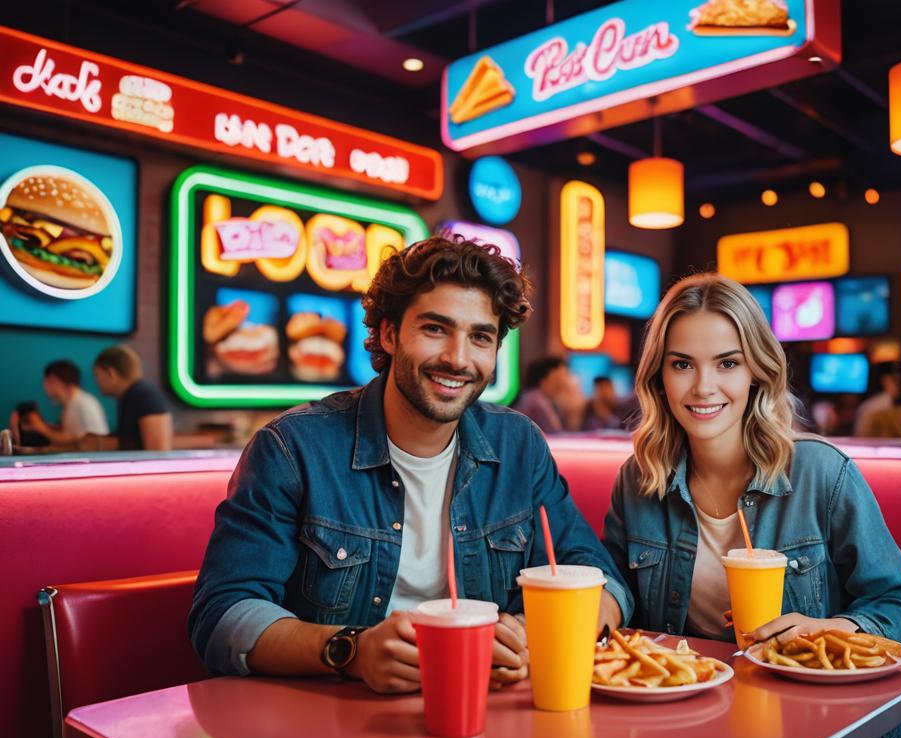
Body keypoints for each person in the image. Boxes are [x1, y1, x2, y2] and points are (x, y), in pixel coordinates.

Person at [189, 235, 631, 694]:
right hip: (333, 723)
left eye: (480, 337)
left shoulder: (519, 445)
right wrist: (351, 651)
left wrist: (530, 632)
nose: (458, 359)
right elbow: (223, 615)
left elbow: (604, 582)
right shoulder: (293, 448)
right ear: (388, 333)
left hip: (488, 718)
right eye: (435, 329)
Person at [602, 273, 901, 738]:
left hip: (833, 735)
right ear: (658, 378)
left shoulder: (821, 472)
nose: (703, 386)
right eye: (682, 364)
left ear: (756, 371)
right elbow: (618, 593)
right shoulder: (640, 479)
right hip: (694, 728)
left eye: (727, 363)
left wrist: (829, 631)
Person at [93, 346, 173, 451]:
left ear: (110, 373)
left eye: (97, 375)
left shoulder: (144, 395)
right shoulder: (129, 396)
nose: (97, 382)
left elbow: (158, 449)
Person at [11, 360, 109, 446]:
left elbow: (91, 443)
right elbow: (72, 436)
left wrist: (42, 428)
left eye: (47, 382)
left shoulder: (84, 404)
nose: (46, 389)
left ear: (55, 381)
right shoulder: (71, 405)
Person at [513, 356, 585, 433]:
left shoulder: (534, 397)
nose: (565, 382)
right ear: (548, 377)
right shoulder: (537, 401)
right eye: (562, 375)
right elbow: (556, 434)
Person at [853, 361, 901, 437]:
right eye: (896, 381)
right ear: (886, 381)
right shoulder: (883, 403)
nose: (899, 386)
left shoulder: (870, 403)